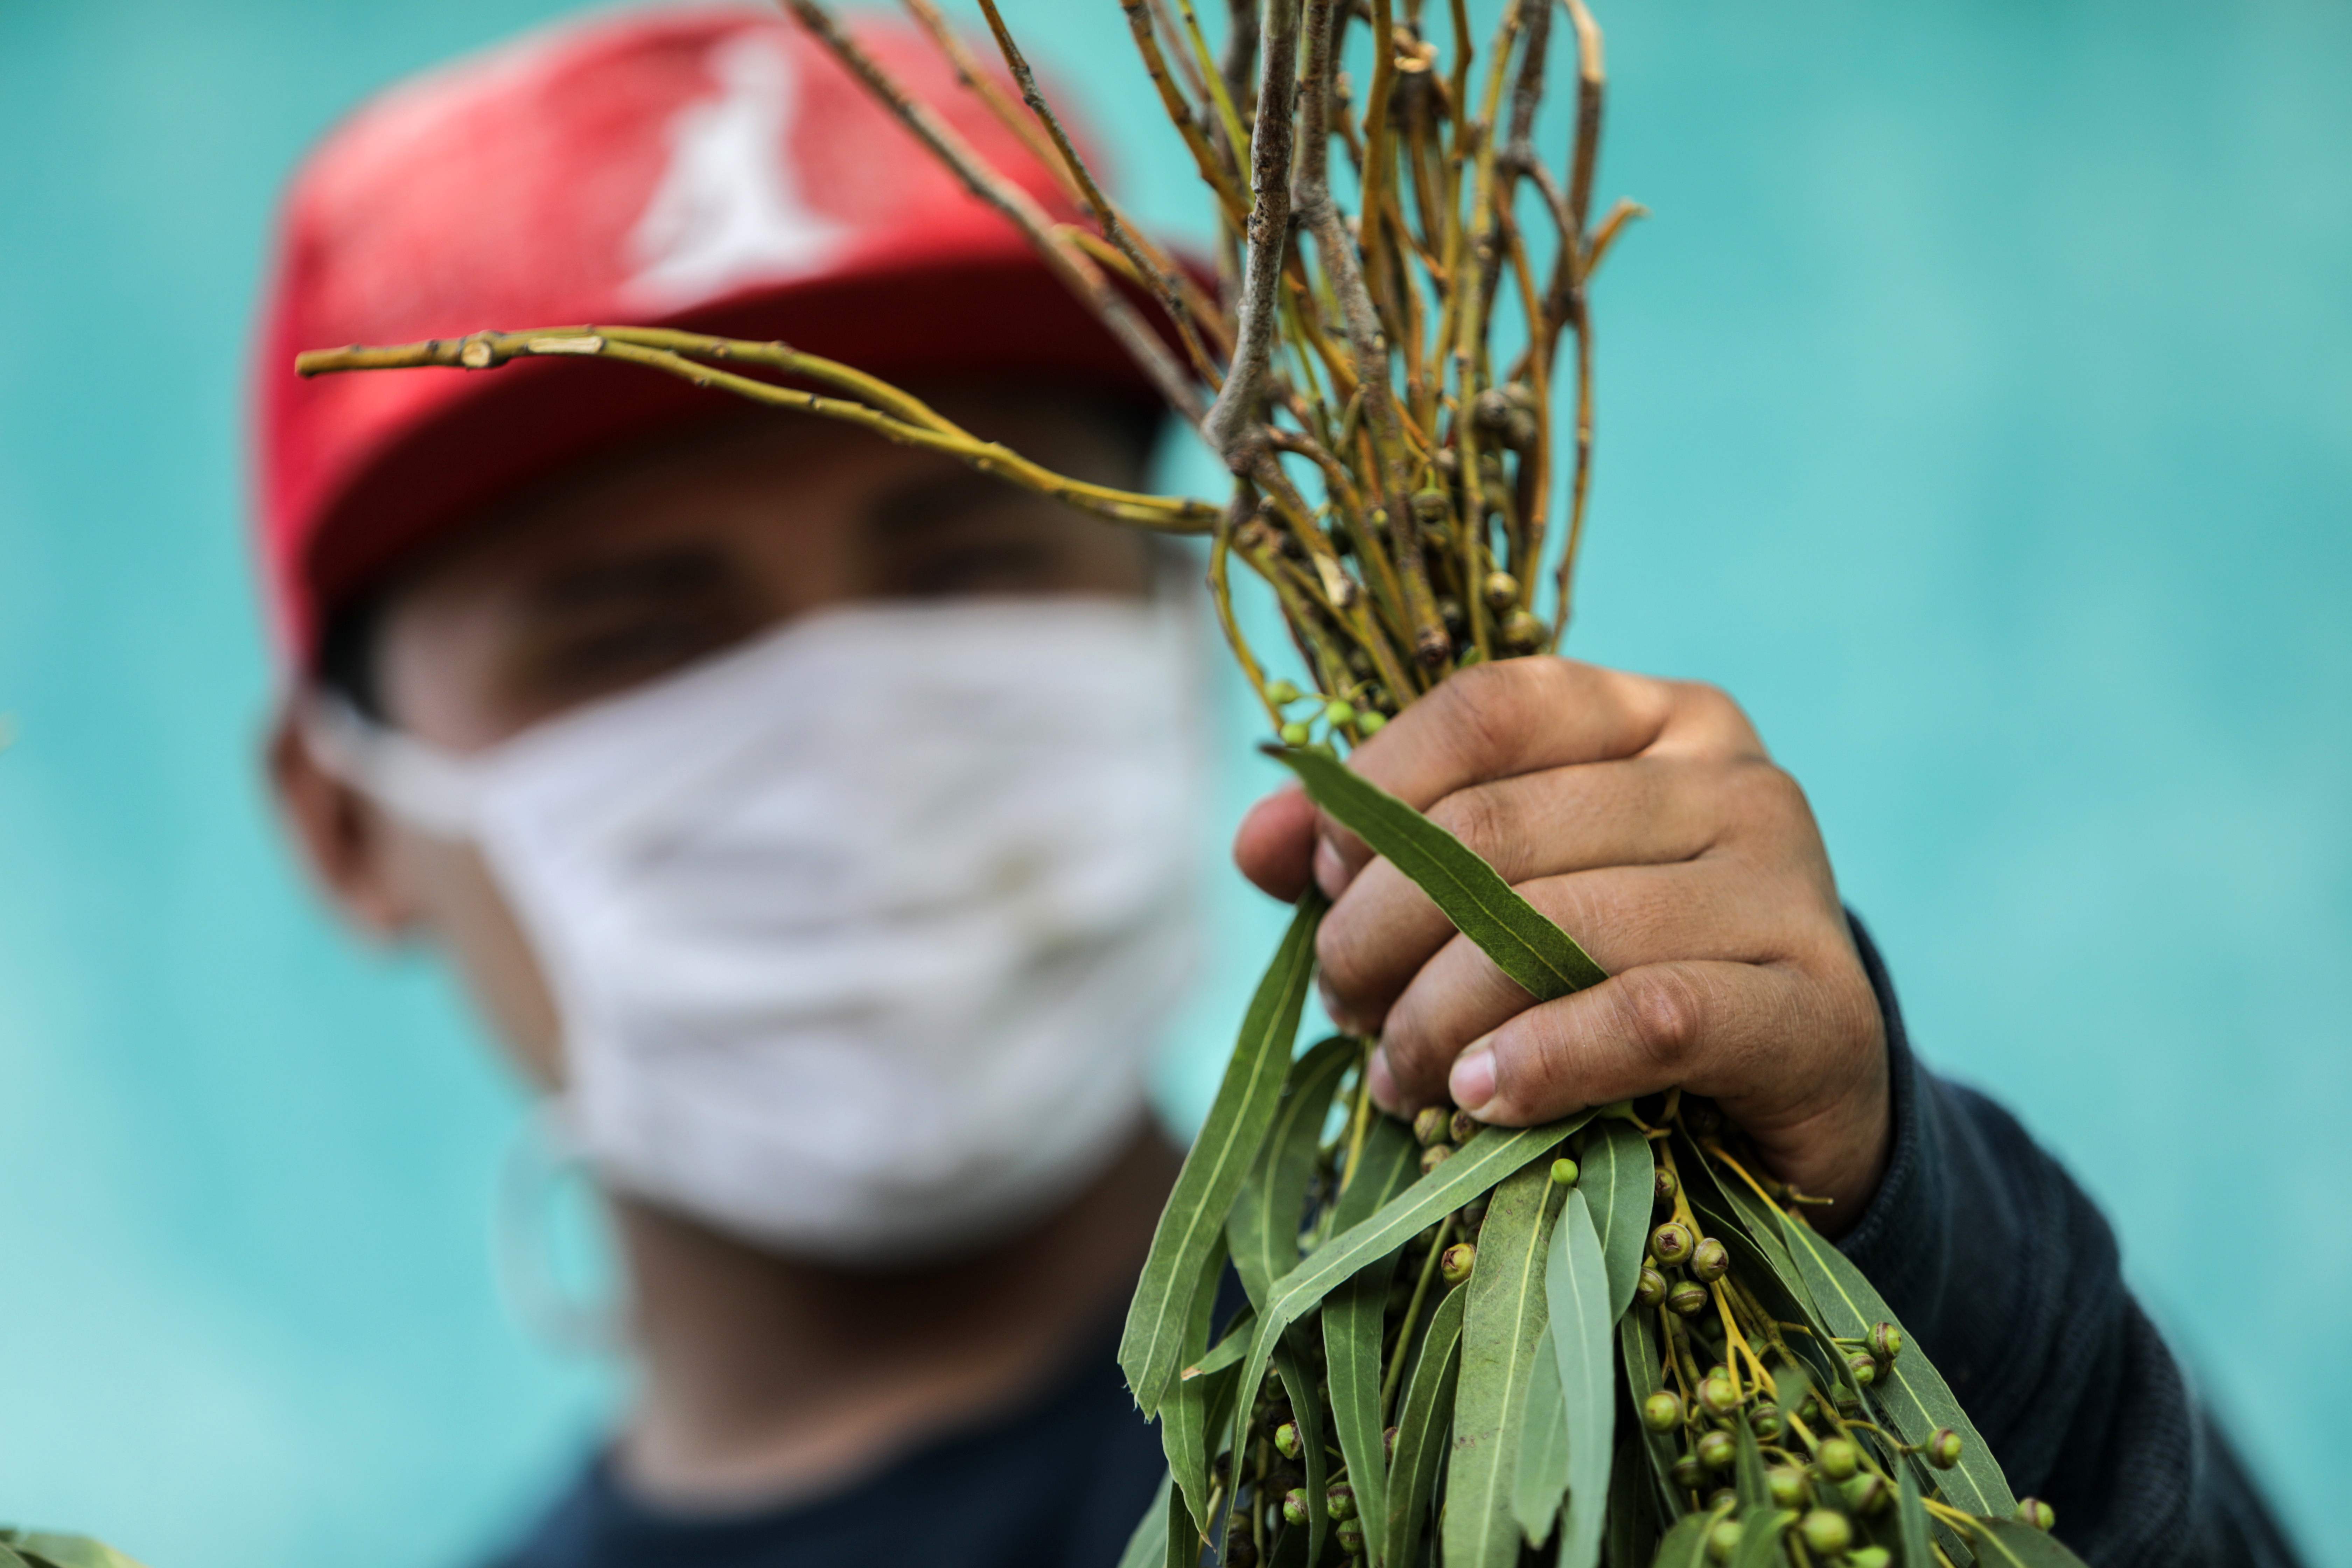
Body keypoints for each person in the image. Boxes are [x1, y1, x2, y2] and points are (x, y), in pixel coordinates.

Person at [252, 7, 2301, 1567]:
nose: (853, 716)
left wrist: (1888, 1227)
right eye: (637, 628)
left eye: (969, 552)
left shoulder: (1645, 1349)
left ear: (1170, 607)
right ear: (345, 822)